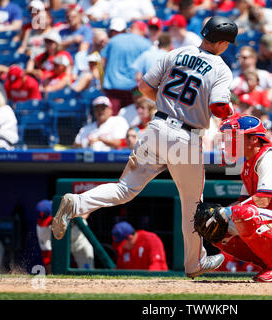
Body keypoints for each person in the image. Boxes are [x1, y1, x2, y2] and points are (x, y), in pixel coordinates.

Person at [52, 16, 239, 279]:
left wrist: (167, 105)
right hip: (185, 138)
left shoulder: (176, 53)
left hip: (156, 127)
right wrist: (232, 113)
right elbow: (218, 107)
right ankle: (194, 263)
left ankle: (78, 203)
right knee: (193, 206)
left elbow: (144, 88)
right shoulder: (220, 68)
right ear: (222, 43)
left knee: (124, 189)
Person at [200, 114, 272, 282]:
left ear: (253, 139)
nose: (230, 141)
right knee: (213, 224)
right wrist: (220, 214)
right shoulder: (249, 163)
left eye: (235, 137)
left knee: (242, 214)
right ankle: (270, 262)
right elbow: (243, 201)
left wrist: (226, 212)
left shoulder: (269, 158)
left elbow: (263, 199)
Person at [100, 19, 151, 115]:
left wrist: (103, 80)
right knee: (133, 119)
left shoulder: (113, 40)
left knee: (112, 120)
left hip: (113, 87)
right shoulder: (146, 43)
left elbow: (102, 61)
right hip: (134, 89)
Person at [35, 199, 95, 272]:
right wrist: (50, 274)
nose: (48, 223)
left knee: (87, 271)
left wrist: (82, 214)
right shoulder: (42, 228)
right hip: (60, 245)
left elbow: (87, 206)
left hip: (79, 241)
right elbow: (46, 254)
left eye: (49, 220)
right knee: (58, 271)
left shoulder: (68, 203)